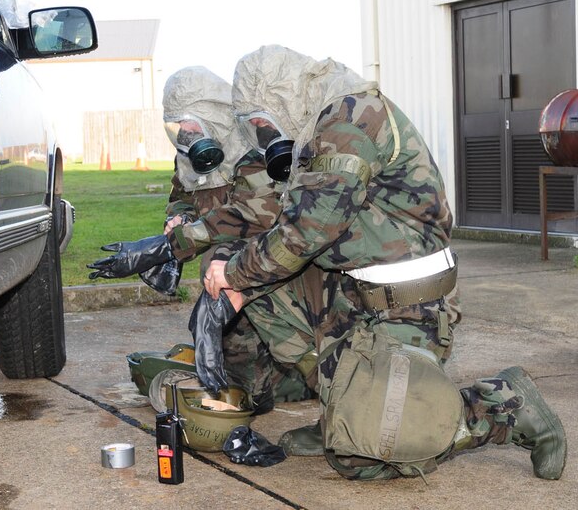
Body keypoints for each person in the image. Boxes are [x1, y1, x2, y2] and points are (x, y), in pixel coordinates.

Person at [203, 44, 566, 480]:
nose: (263, 136)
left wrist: (236, 271)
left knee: (365, 462)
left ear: (282, 98)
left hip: (407, 302)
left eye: (262, 122)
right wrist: (231, 269)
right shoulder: (318, 127)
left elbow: (309, 229)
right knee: (255, 288)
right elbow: (281, 220)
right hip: (354, 292)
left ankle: (503, 406)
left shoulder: (351, 119)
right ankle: (343, 408)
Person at [87, 65, 317, 413]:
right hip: (232, 261)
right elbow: (181, 196)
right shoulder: (190, 156)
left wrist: (167, 247)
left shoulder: (254, 151)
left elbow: (252, 215)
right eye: (177, 126)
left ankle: (303, 377)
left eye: (190, 125)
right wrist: (179, 218)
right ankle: (251, 381)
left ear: (213, 115)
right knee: (232, 360)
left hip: (276, 261)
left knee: (225, 282)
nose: (184, 135)